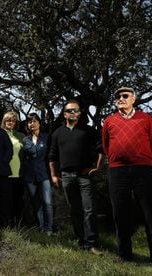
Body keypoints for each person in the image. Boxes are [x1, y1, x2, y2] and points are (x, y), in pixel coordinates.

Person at [102, 87, 152, 266]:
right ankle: (124, 255)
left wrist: (144, 159)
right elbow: (106, 146)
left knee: (150, 213)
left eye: (125, 96)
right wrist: (117, 159)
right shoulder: (109, 120)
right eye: (117, 96)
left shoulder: (145, 118)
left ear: (133, 99)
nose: (120, 98)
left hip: (143, 171)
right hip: (118, 172)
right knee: (120, 214)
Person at [48, 99, 104, 255]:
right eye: (70, 110)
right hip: (66, 177)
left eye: (76, 110)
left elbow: (101, 148)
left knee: (90, 209)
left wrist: (98, 166)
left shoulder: (89, 131)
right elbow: (52, 156)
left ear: (80, 113)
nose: (73, 113)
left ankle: (92, 244)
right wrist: (53, 175)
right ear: (64, 114)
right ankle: (81, 242)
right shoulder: (57, 133)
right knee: (75, 211)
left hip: (85, 175)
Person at [22, 113, 53, 235]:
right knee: (36, 203)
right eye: (29, 122)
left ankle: (49, 228)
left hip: (44, 174)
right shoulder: (25, 140)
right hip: (29, 175)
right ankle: (41, 227)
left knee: (47, 202)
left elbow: (52, 156)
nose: (32, 124)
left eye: (34, 121)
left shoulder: (47, 137)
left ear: (39, 123)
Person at [1, 111, 25, 226]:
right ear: (4, 121)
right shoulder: (0, 134)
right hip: (5, 174)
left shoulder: (20, 136)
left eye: (13, 120)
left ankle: (18, 227)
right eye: (8, 120)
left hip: (19, 174)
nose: (11, 122)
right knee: (6, 203)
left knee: (18, 203)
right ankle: (7, 227)